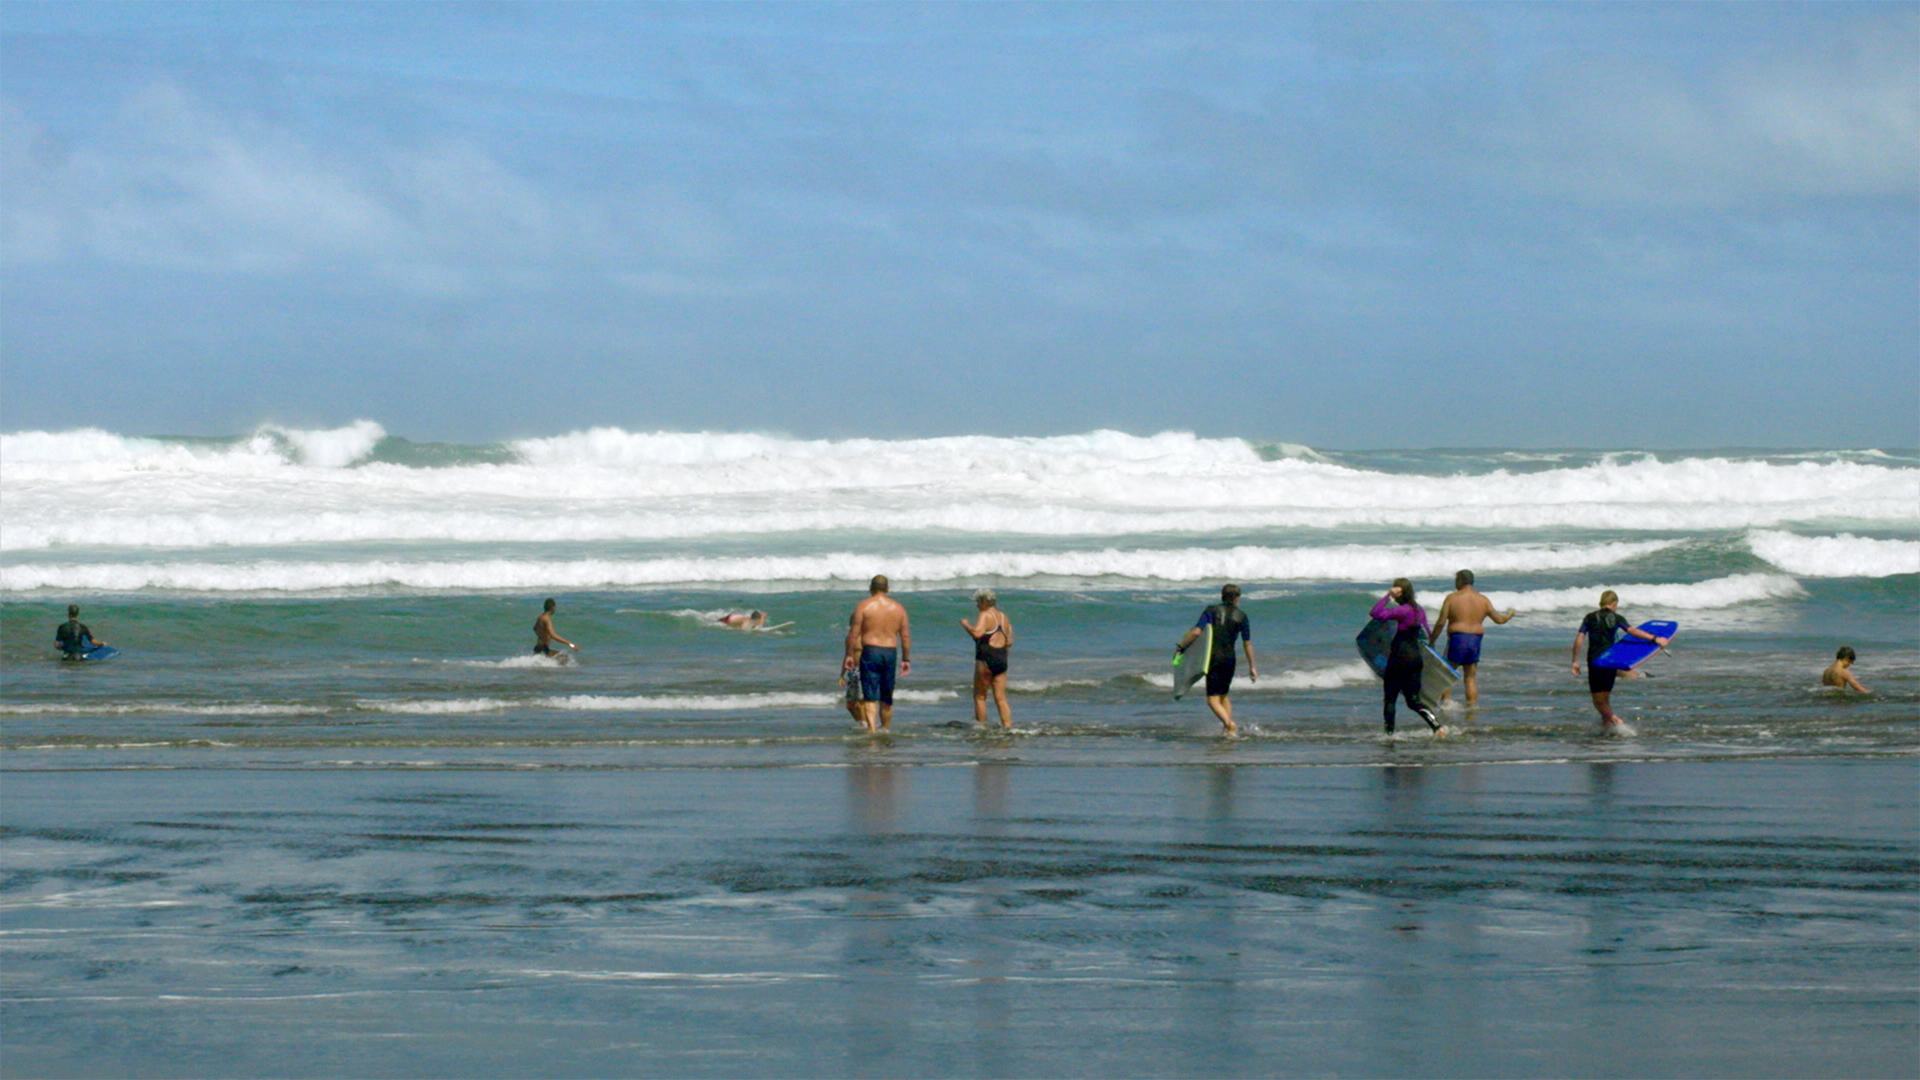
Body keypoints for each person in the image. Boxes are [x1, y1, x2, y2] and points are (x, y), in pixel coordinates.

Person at [1571, 590, 1670, 728]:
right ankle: (1606, 728)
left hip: (1595, 661)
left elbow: (1579, 640)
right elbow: (1633, 631)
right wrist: (1655, 638)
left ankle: (1614, 719)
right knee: (1604, 696)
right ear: (1614, 604)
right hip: (1612, 659)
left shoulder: (1589, 618)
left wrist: (1575, 661)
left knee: (1597, 700)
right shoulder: (1617, 618)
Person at [1175, 584, 1257, 734]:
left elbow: (1196, 632)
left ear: (1222, 596)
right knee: (1223, 696)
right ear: (1238, 598)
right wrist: (1252, 667)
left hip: (1213, 658)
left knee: (1212, 700)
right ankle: (1228, 731)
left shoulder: (1211, 611)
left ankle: (1229, 724)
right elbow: (1247, 643)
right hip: (1230, 659)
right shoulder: (1242, 616)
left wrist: (1181, 648)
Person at [1430, 569, 1516, 705]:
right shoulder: (1483, 600)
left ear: (1459, 581)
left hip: (1457, 638)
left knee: (1448, 674)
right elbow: (1499, 620)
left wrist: (1432, 639)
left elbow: (1441, 622)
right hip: (1475, 639)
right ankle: (1471, 708)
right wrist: (1509, 615)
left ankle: (1445, 706)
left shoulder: (1452, 598)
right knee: (1470, 677)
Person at [843, 575, 912, 733]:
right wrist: (906, 659)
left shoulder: (864, 606)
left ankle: (872, 730)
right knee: (886, 695)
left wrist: (848, 654)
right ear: (887, 588)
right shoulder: (898, 608)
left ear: (871, 588)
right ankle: (886, 729)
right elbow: (905, 636)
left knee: (870, 694)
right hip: (890, 652)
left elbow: (854, 633)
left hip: (871, 651)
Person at [1372, 578, 1440, 734]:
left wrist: (1387, 596)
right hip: (1416, 659)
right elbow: (1428, 635)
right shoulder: (1419, 610)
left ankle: (1389, 735)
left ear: (1399, 592)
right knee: (1414, 701)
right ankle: (1437, 727)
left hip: (1399, 660)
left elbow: (1376, 613)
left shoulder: (1402, 610)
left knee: (1390, 699)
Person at [960, 588, 1014, 729]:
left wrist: (965, 624)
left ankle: (981, 727)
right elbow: (1009, 641)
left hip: (986, 658)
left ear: (984, 601)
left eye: (978, 602)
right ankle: (1008, 727)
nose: (977, 605)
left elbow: (977, 633)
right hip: (1002, 659)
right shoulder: (1004, 617)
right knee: (1001, 698)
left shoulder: (985, 614)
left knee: (980, 696)